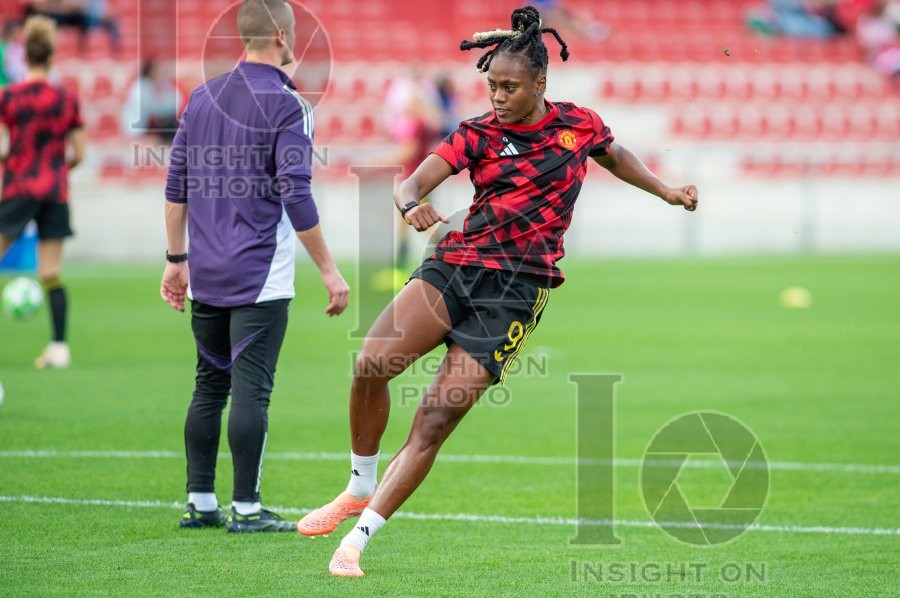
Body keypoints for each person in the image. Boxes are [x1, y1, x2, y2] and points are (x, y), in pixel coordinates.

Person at [295, 5, 698, 577]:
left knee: (434, 420)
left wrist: (664, 190)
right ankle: (358, 485)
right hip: (456, 267)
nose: (499, 96)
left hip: (516, 291)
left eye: (510, 86)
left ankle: (357, 541)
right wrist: (411, 204)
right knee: (371, 362)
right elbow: (412, 181)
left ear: (541, 82)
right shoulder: (477, 133)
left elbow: (615, 154)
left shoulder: (578, 125)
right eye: (491, 86)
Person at [161, 0, 349, 533]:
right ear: (283, 38)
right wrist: (330, 271)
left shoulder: (201, 98)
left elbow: (176, 191)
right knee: (251, 391)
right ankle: (245, 509)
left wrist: (177, 260)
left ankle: (200, 502)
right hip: (260, 274)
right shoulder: (290, 106)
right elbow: (296, 193)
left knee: (207, 386)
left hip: (206, 271)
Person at [0, 15, 85, 369]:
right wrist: (58, 171)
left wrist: (12, 160)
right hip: (55, 190)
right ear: (51, 56)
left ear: (26, 56)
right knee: (51, 271)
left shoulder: (9, 97)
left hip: (19, 186)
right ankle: (59, 347)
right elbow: (79, 152)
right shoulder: (66, 100)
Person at [121, 59, 183, 144]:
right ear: (151, 71)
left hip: (149, 123)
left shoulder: (161, 84)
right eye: (159, 70)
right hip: (138, 127)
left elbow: (176, 102)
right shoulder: (142, 86)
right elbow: (153, 108)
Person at [0, 19, 27, 86]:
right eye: (20, 32)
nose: (24, 35)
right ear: (10, 34)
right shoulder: (3, 49)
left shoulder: (26, 48)